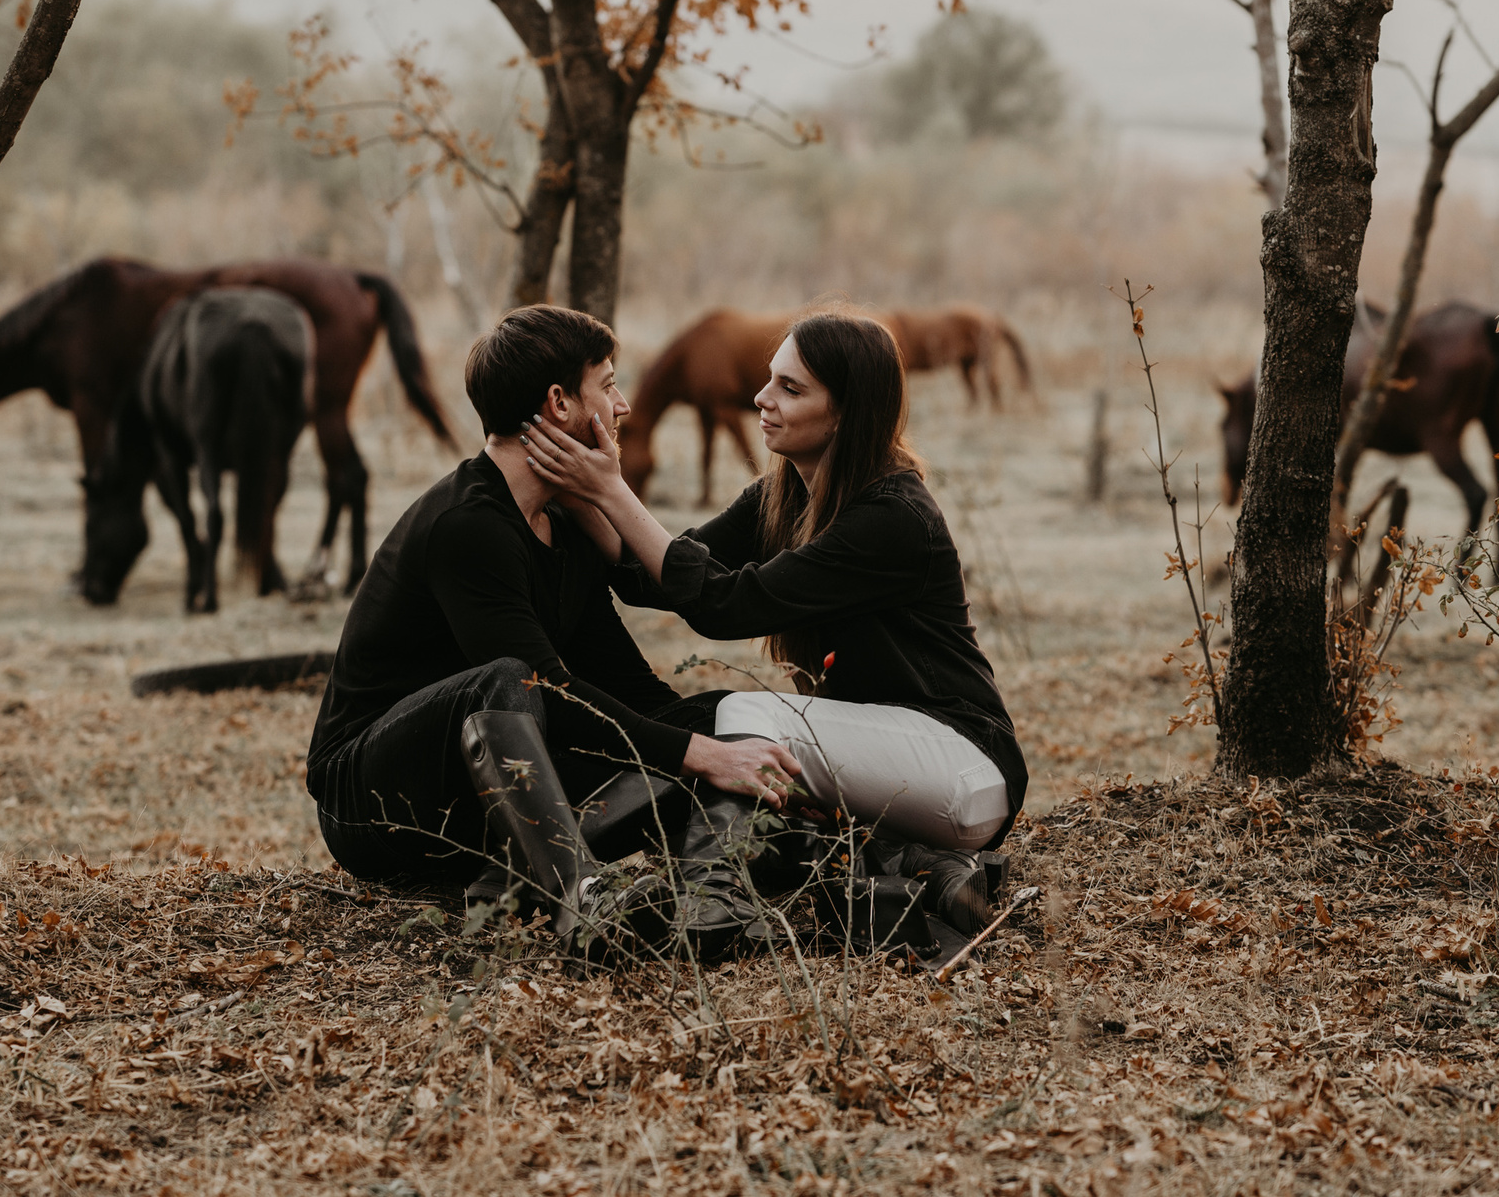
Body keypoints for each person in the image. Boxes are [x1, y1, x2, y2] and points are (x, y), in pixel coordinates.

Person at [519, 308, 1028, 948]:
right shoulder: (784, 494)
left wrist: (613, 490)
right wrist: (588, 492)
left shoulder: (891, 517)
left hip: (964, 762)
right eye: (770, 379)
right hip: (898, 763)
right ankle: (917, 868)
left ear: (846, 412)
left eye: (791, 388)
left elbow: (724, 606)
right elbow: (650, 576)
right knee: (739, 738)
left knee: (743, 719)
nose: (761, 398)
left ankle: (714, 906)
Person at [303, 304, 803, 952]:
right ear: (561, 402)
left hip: (492, 777)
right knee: (514, 681)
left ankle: (758, 887)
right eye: (610, 383)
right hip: (373, 798)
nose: (622, 405)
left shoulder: (563, 526)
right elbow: (547, 690)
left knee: (701, 717)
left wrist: (722, 746)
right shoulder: (469, 524)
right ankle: (582, 903)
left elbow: (631, 689)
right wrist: (701, 754)